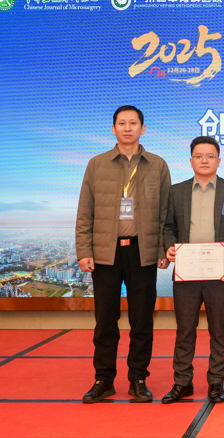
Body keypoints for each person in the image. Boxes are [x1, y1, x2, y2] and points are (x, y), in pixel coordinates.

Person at [76, 105, 171, 403]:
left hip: (143, 252)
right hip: (106, 252)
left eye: (133, 123)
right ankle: (103, 379)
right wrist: (84, 250)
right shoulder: (97, 164)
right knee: (105, 319)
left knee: (142, 320)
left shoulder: (157, 165)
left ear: (143, 128)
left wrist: (162, 249)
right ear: (113, 128)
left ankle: (138, 379)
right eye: (121, 123)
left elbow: (166, 213)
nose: (127, 128)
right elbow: (85, 211)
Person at [161, 136, 224, 404]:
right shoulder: (176, 191)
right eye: (199, 156)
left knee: (219, 329)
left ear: (218, 161)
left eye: (210, 156)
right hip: (186, 271)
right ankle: (182, 382)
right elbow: (168, 227)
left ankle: (216, 383)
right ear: (191, 161)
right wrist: (169, 247)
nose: (204, 160)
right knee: (185, 329)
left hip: (219, 272)